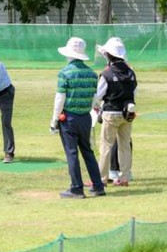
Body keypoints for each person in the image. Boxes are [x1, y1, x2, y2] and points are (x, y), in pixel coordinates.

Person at [50, 37, 106, 198]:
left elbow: (60, 99)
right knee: (88, 152)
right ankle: (98, 186)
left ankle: (76, 188)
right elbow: (95, 99)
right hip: (85, 118)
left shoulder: (65, 73)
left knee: (72, 153)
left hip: (69, 118)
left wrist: (54, 120)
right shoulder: (91, 74)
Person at [93, 37, 137, 188]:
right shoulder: (131, 72)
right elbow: (134, 92)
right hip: (127, 113)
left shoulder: (107, 73)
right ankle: (124, 178)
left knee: (106, 146)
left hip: (111, 113)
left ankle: (102, 179)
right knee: (125, 146)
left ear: (108, 55)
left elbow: (98, 96)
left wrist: (97, 107)